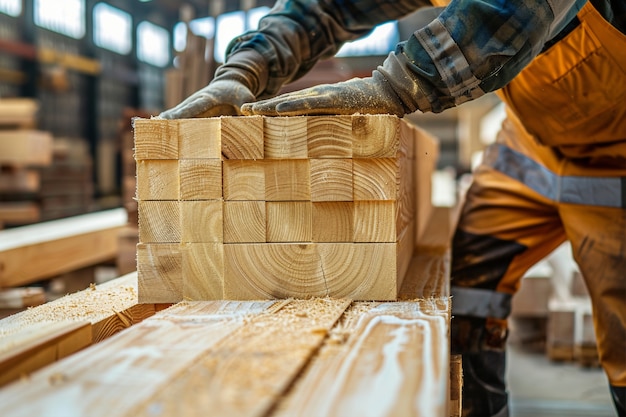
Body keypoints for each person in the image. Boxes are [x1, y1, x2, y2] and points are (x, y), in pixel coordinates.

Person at [160, 0, 626, 416]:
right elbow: (324, 8)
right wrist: (245, 69)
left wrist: (395, 87)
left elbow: (511, 13)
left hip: (617, 164)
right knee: (468, 296)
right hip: (530, 149)